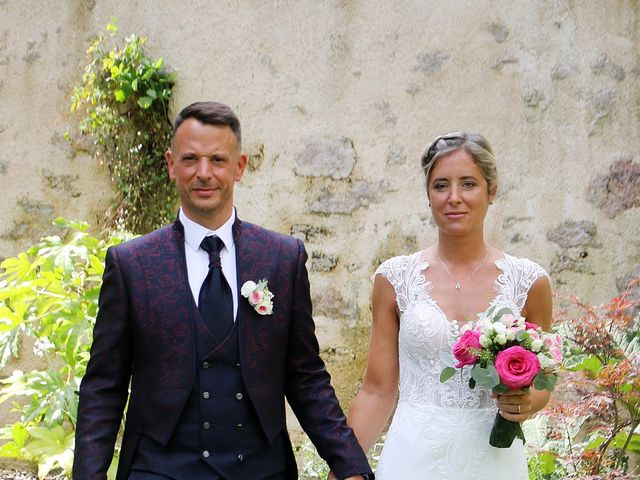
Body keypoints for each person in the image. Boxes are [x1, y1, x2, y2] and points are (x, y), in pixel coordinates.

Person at [73, 101, 373, 480]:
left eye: (217, 159)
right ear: (170, 164)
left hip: (262, 471)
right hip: (160, 470)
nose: (204, 173)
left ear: (240, 166)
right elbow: (104, 384)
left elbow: (305, 375)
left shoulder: (282, 258)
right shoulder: (132, 264)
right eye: (190, 159)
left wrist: (349, 465)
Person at [345, 132, 553, 479]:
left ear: (492, 191)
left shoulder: (529, 282)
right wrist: (343, 467)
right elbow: (376, 390)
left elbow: (545, 382)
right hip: (411, 458)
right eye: (441, 186)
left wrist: (529, 403)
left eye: (468, 184)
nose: (453, 198)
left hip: (494, 461)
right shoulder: (395, 279)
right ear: (428, 195)